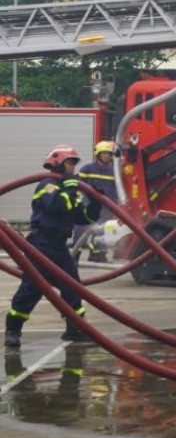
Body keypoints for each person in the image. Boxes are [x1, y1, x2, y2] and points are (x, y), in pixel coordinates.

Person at [5, 145, 101, 348]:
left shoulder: (67, 187)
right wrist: (72, 188)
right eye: (69, 163)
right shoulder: (48, 185)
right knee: (32, 289)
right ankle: (13, 330)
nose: (72, 168)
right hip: (40, 245)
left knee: (72, 287)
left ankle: (74, 329)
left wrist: (95, 202)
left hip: (58, 246)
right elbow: (57, 206)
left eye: (74, 164)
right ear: (56, 164)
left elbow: (82, 217)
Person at [75, 140, 118, 262]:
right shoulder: (86, 169)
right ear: (98, 154)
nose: (106, 156)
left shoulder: (113, 172)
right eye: (104, 153)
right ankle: (75, 255)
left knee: (102, 231)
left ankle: (98, 254)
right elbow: (79, 187)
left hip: (105, 208)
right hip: (87, 206)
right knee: (80, 230)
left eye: (108, 154)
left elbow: (115, 189)